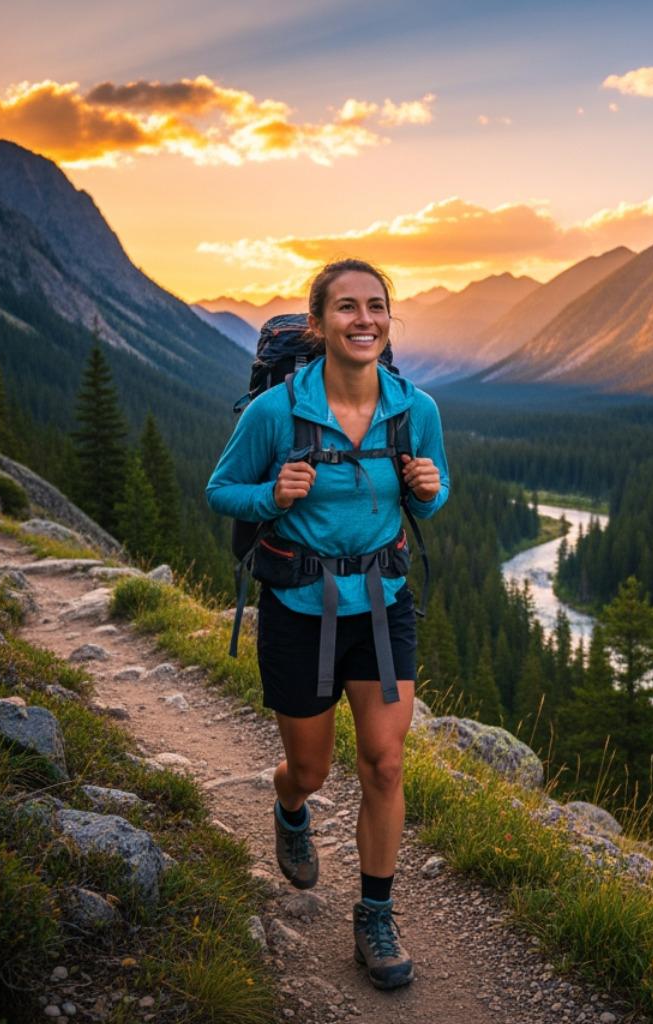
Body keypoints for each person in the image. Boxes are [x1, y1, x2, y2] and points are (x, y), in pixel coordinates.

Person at [206, 258, 448, 990]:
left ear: (388, 320)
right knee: (311, 767)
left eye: (376, 306)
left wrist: (431, 491)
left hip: (382, 606)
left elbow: (427, 502)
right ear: (319, 325)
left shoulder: (417, 409)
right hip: (299, 611)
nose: (364, 320)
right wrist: (273, 495)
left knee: (385, 760)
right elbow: (222, 490)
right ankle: (289, 803)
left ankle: (375, 916)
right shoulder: (275, 412)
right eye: (347, 307)